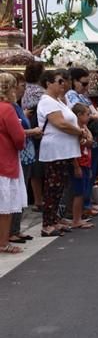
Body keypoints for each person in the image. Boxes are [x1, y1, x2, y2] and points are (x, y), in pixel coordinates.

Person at [37, 70, 83, 237]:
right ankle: (47, 224)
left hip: (64, 150)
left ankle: (54, 219)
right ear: (48, 83)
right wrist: (79, 132)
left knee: (59, 187)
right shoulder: (47, 101)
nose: (63, 85)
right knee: (52, 187)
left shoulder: (58, 101)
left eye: (64, 81)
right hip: (54, 150)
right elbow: (61, 124)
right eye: (59, 81)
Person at [65, 67, 98, 213]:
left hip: (94, 137)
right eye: (83, 84)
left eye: (87, 83)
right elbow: (86, 115)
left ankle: (87, 202)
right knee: (84, 173)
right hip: (86, 139)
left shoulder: (82, 95)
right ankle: (83, 205)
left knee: (91, 171)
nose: (86, 87)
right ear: (74, 82)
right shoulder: (71, 96)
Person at [9, 73, 41, 244]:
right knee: (14, 193)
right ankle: (11, 230)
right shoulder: (10, 107)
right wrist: (32, 131)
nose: (24, 89)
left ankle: (16, 228)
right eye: (22, 86)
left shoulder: (17, 105)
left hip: (26, 153)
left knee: (21, 192)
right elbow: (15, 130)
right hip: (19, 153)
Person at [0, 73, 27, 254]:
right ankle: (3, 242)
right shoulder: (7, 109)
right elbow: (19, 137)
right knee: (5, 206)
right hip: (5, 160)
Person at [22, 61, 45, 210]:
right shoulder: (39, 92)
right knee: (37, 167)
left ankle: (37, 198)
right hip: (36, 129)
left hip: (31, 127)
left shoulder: (26, 89)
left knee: (34, 167)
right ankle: (38, 199)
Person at [69, 103, 95, 229]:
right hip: (79, 162)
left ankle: (78, 217)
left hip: (85, 162)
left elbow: (90, 140)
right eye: (87, 114)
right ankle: (76, 219)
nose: (89, 117)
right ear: (79, 115)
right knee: (78, 192)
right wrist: (76, 166)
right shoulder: (75, 130)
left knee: (82, 191)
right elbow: (73, 148)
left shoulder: (83, 127)